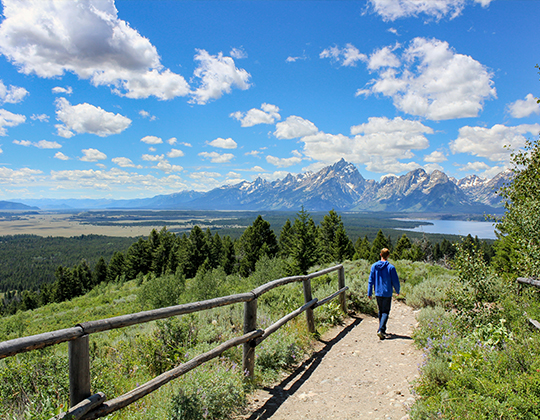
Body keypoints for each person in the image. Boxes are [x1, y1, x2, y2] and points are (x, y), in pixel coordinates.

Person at [367, 248, 400, 340]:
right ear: (388, 256)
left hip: (378, 292)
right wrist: (397, 290)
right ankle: (381, 330)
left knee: (381, 311)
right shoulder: (391, 267)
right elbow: (395, 281)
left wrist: (369, 292)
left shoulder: (374, 266)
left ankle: (382, 330)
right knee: (385, 311)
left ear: (380, 255)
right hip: (387, 292)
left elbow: (371, 281)